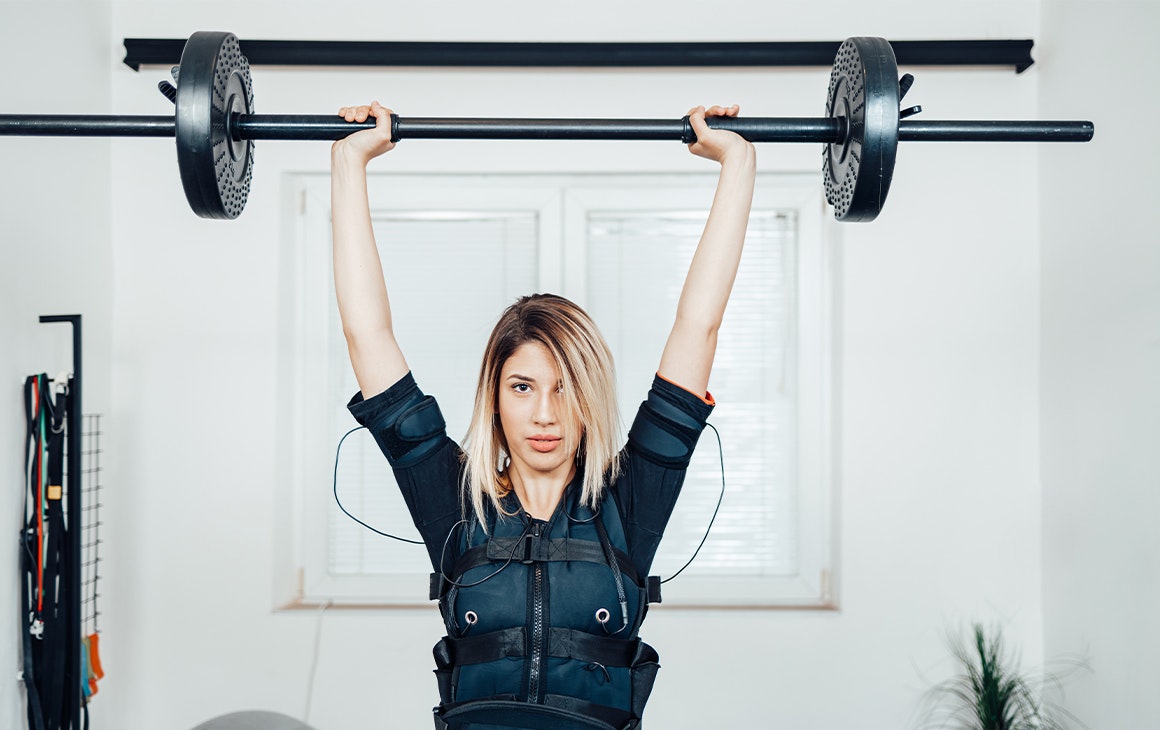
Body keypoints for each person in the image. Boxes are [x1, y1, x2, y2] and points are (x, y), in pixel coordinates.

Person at [331, 101, 756, 730]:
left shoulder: (627, 508)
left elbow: (700, 324)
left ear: (588, 400)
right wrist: (348, 162)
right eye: (523, 387)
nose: (545, 414)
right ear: (495, 400)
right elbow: (369, 336)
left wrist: (738, 163)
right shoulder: (456, 507)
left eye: (565, 389)